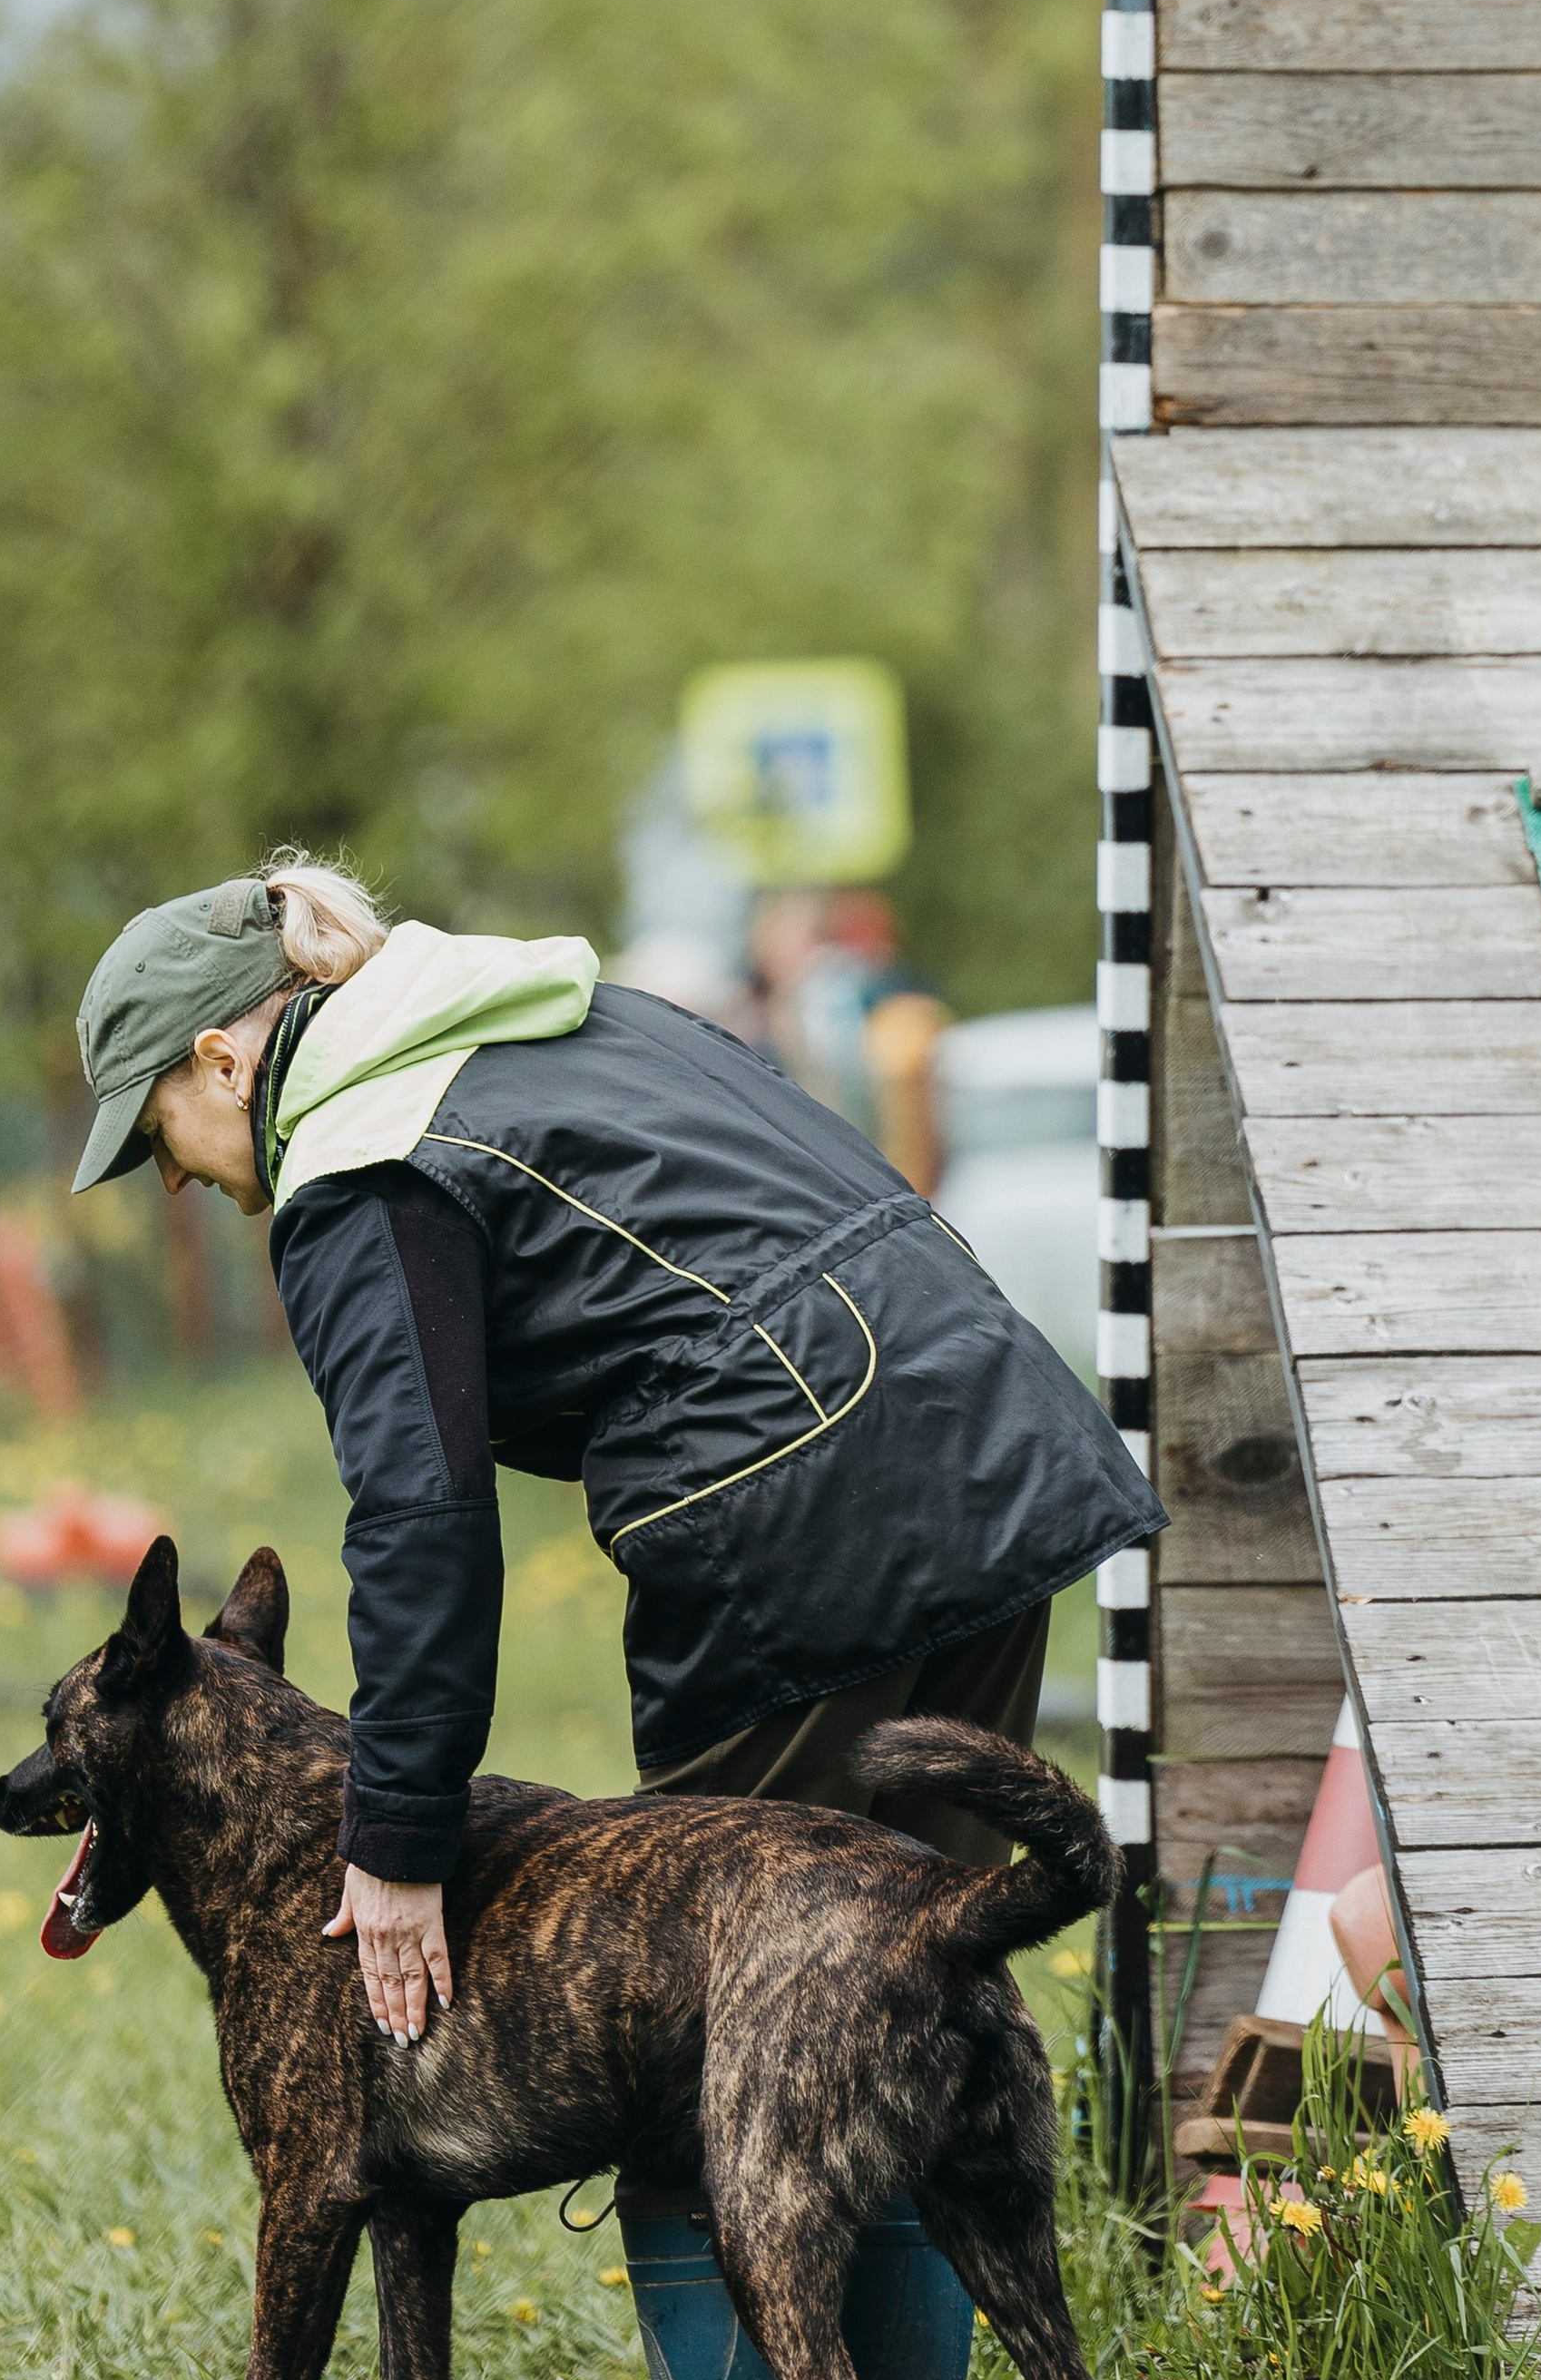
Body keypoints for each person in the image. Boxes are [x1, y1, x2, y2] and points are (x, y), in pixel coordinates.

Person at [71, 855, 1163, 2042]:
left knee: (706, 2024)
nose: (170, 1177)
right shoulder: (573, 1017)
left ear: (222, 1062)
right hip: (994, 1432)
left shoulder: (359, 1161)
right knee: (917, 1979)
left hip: (796, 1498)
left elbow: (419, 1515)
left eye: (155, 1131)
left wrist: (394, 1840)